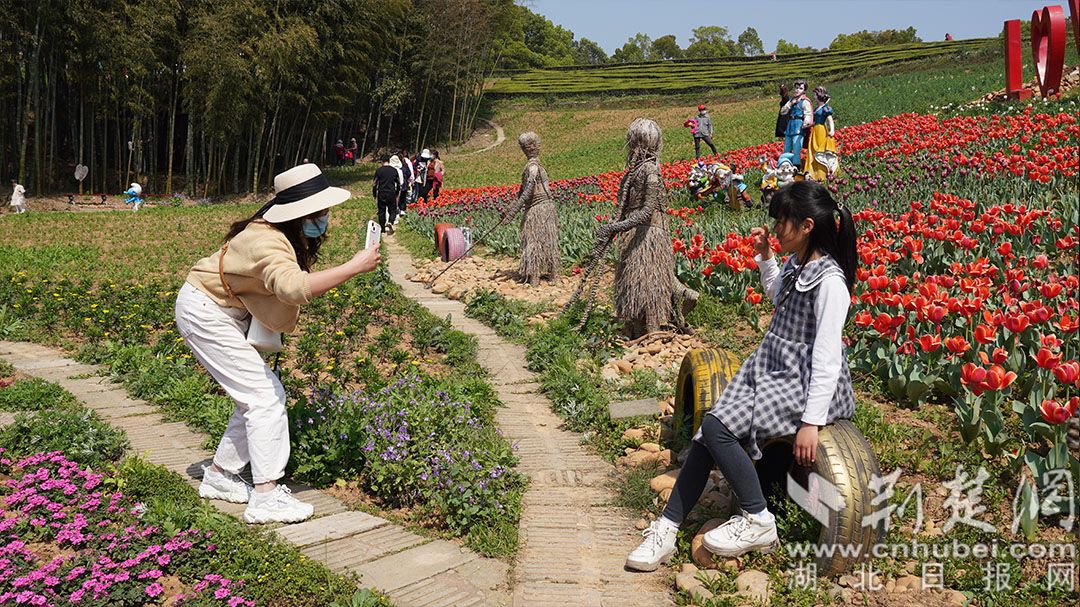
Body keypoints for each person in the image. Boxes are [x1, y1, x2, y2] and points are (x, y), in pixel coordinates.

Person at [625, 181, 857, 571]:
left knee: (716, 428)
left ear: (806, 226)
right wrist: (767, 257)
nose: (776, 228)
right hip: (773, 366)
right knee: (708, 432)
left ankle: (758, 518)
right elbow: (778, 295)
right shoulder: (799, 264)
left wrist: (810, 423)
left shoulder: (831, 282)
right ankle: (666, 529)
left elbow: (828, 357)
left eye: (782, 221)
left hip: (804, 380)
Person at [178, 163, 380, 524]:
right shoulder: (267, 240)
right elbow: (293, 288)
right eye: (319, 212)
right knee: (265, 397)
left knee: (256, 395)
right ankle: (266, 496)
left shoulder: (276, 234)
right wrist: (353, 267)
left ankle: (222, 475)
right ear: (299, 213)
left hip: (221, 311)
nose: (324, 219)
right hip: (207, 313)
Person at [502, 132, 559, 286]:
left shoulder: (533, 167)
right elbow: (523, 192)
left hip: (539, 209)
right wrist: (510, 210)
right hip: (540, 208)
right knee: (540, 241)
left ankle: (540, 277)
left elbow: (527, 191)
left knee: (540, 242)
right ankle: (540, 276)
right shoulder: (532, 167)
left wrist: (513, 212)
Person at [803, 86, 838, 181]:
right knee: (813, 149)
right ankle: (813, 171)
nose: (814, 97)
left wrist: (832, 130)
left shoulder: (826, 108)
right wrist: (807, 125)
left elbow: (830, 120)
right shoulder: (816, 109)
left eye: (815, 94)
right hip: (815, 130)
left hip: (821, 130)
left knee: (820, 149)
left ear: (819, 95)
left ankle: (823, 172)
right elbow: (814, 121)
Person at [780, 79, 813, 161]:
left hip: (799, 125)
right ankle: (786, 164)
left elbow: (808, 113)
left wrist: (806, 123)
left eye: (801, 88)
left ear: (804, 90)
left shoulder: (805, 101)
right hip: (790, 125)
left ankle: (796, 166)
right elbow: (783, 111)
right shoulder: (792, 100)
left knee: (796, 147)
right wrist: (790, 104)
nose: (798, 90)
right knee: (787, 147)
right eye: (797, 88)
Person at [373, 155, 401, 234]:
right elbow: (398, 183)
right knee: (393, 209)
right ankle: (390, 221)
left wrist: (374, 194)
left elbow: (374, 184)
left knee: (381, 211)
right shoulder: (394, 170)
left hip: (381, 193)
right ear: (389, 161)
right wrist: (397, 192)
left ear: (382, 161)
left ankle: (382, 229)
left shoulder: (379, 170)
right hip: (391, 193)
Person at [398, 149, 413, 221]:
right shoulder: (404, 165)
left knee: (398, 196)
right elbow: (409, 173)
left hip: (397, 185)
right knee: (403, 197)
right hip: (404, 184)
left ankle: (398, 209)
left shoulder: (395, 167)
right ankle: (402, 209)